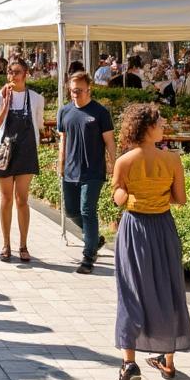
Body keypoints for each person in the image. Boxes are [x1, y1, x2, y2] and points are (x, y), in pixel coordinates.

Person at [111, 103, 190, 380]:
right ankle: (167, 358)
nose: (163, 126)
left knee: (131, 291)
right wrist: (157, 196)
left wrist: (134, 197)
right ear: (148, 127)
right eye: (160, 123)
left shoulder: (125, 160)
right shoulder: (172, 160)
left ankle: (129, 363)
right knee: (168, 289)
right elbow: (180, 198)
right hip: (163, 227)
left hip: (134, 229)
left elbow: (117, 196)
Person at [0, 58, 44, 263]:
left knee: (22, 199)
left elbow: (39, 124)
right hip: (3, 152)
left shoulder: (36, 98)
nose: (13, 76)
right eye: (10, 72)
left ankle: (23, 244)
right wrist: (5, 106)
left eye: (17, 72)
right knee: (6, 199)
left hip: (26, 151)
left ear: (25, 74)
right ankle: (6, 243)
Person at [58, 72, 115, 274]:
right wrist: (60, 163)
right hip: (70, 170)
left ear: (89, 89)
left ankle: (88, 256)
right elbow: (63, 140)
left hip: (93, 170)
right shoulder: (65, 111)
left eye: (79, 91)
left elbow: (109, 142)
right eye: (73, 91)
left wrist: (114, 166)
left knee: (87, 210)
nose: (75, 94)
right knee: (71, 211)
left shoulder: (100, 112)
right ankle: (95, 239)